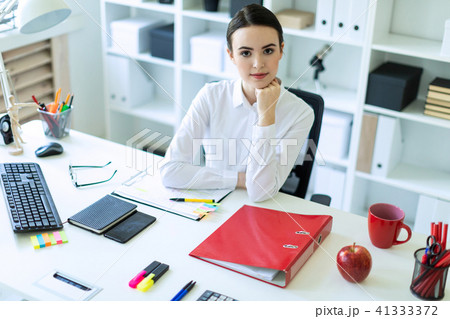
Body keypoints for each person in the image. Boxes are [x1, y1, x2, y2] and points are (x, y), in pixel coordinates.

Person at [160, 4, 314, 202]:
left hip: (262, 210)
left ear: (281, 51)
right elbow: (170, 172)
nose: (258, 63)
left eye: (267, 50)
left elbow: (260, 193)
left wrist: (266, 115)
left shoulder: (301, 113)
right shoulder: (211, 96)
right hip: (214, 202)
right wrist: (240, 179)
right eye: (246, 53)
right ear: (231, 55)